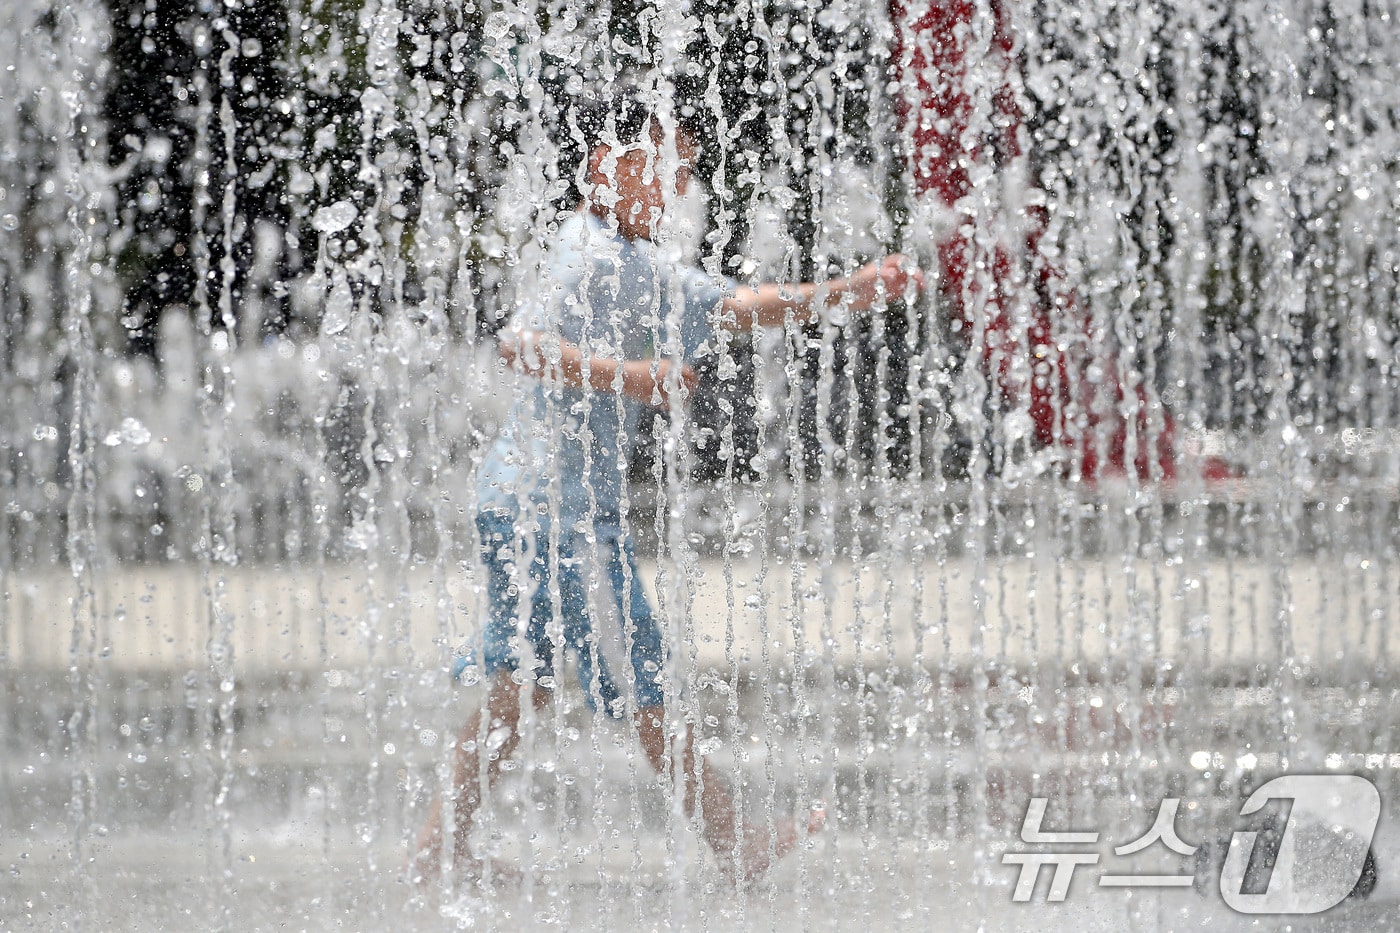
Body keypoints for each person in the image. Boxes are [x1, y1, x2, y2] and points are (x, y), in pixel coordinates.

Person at [411, 94, 922, 889]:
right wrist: (634, 376)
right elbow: (520, 344)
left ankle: (438, 850)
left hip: (524, 502)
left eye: (683, 173)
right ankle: (733, 838)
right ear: (605, 168)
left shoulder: (636, 262)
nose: (678, 189)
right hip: (559, 512)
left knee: (522, 688)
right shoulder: (591, 252)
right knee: (638, 672)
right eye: (664, 170)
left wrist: (846, 291)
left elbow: (729, 307)